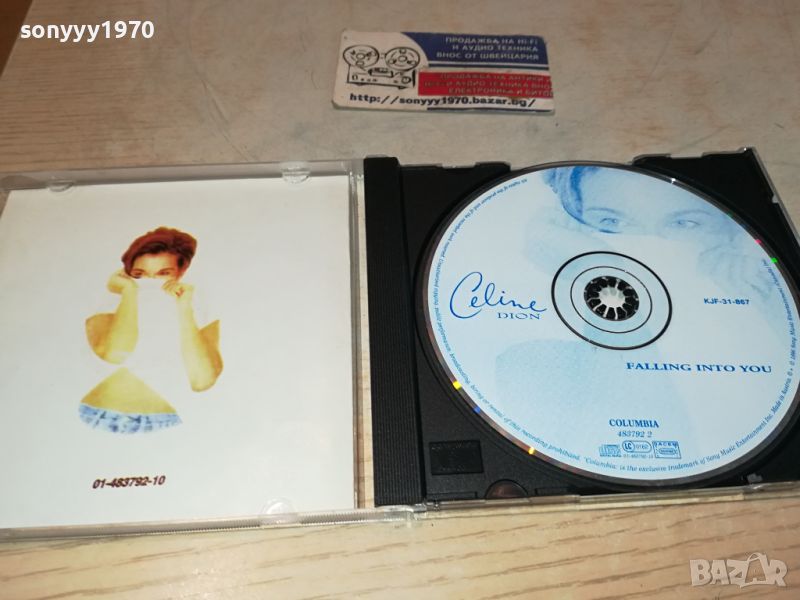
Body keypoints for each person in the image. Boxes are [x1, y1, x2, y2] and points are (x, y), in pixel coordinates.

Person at [80, 227, 223, 433]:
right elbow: (115, 354)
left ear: (181, 272)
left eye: (163, 274)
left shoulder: (196, 304)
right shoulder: (111, 299)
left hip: (165, 423)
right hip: (98, 415)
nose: (150, 283)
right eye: (139, 275)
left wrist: (184, 309)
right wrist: (129, 291)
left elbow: (202, 380)